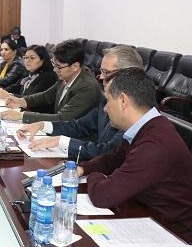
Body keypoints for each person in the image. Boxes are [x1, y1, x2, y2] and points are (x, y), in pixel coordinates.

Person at [77, 68, 192, 243]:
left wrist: (95, 175)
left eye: (108, 101)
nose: (106, 109)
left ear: (123, 100)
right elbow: (114, 158)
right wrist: (83, 167)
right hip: (144, 215)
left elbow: (103, 195)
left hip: (169, 234)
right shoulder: (148, 126)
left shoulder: (155, 145)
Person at [17, 45, 143, 160]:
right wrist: (42, 125)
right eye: (101, 71)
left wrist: (61, 142)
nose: (101, 77)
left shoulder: (137, 109)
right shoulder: (107, 98)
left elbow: (109, 151)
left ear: (128, 74)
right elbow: (79, 126)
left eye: (106, 72)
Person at [3, 39, 102, 123]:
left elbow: (62, 118)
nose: (55, 70)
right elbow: (46, 96)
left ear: (75, 66)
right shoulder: (65, 75)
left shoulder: (86, 87)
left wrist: (22, 116)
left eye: (58, 66)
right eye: (54, 64)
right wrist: (21, 101)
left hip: (77, 139)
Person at [0, 45, 57, 114]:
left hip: (37, 116)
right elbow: (16, 86)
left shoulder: (49, 77)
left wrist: (9, 95)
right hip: (25, 110)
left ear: (43, 60)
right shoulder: (29, 72)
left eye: (32, 58)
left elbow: (32, 99)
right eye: (26, 57)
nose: (27, 61)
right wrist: (1, 91)